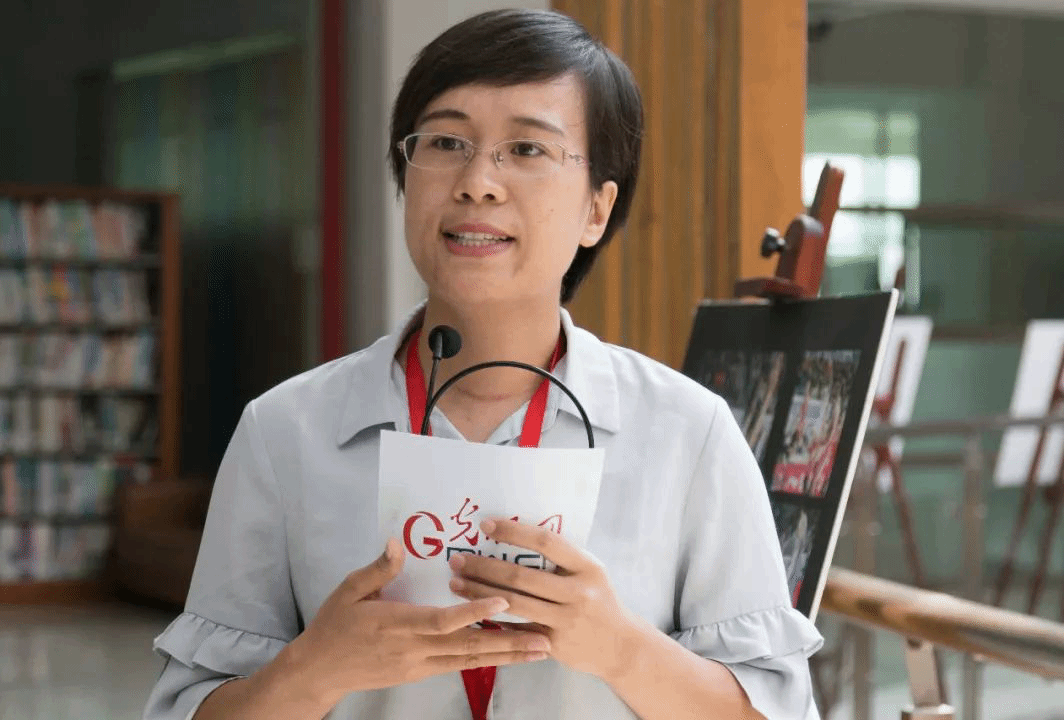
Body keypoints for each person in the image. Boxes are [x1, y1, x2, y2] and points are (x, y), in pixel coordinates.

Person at [144, 9, 823, 720]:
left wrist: (621, 649)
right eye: (446, 142)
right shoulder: (284, 431)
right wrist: (313, 670)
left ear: (597, 209)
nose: (477, 181)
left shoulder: (689, 433)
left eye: (527, 148)